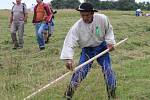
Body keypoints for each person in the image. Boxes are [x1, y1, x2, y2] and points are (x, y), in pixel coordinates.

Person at [60, 3, 116, 100]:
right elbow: (69, 42)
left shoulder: (102, 19)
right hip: (87, 50)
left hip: (102, 48)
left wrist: (110, 43)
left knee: (108, 70)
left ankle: (112, 94)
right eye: (82, 15)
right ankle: (69, 94)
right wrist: (68, 59)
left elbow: (109, 30)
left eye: (87, 15)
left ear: (92, 13)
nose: (85, 18)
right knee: (81, 72)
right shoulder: (77, 27)